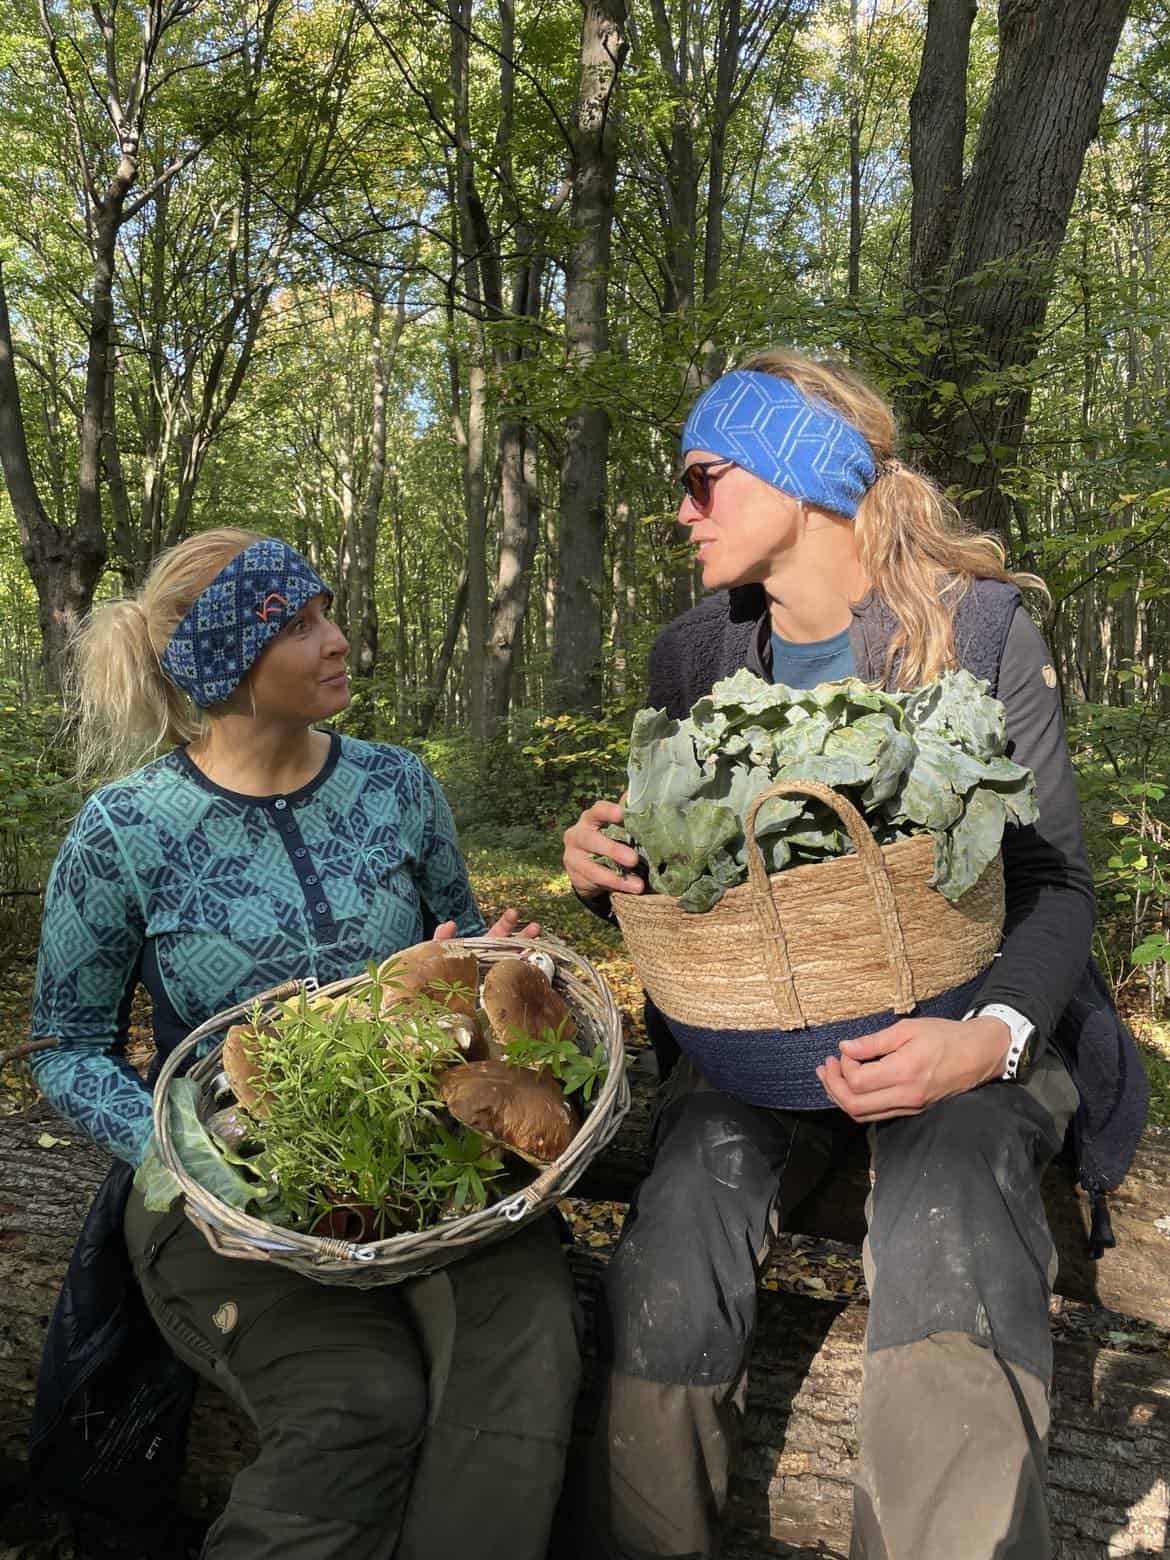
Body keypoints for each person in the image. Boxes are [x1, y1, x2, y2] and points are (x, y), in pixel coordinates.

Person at [563, 350, 1145, 1559]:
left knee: (949, 1214)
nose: (682, 511)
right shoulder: (695, 653)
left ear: (795, 472)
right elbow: (703, 885)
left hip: (967, 1020)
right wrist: (609, 870)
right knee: (675, 1227)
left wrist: (985, 1042)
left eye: (702, 478)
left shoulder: (977, 627)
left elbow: (1053, 882)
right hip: (755, 1047)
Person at [28, 528, 580, 1560]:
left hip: (435, 1169)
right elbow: (63, 1044)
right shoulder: (125, 832)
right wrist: (185, 1161)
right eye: (300, 623)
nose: (338, 640)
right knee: (357, 1402)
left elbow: (458, 950)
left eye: (326, 610)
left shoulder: (398, 786)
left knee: (530, 1345)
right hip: (229, 1203)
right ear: (230, 659)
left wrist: (491, 958)